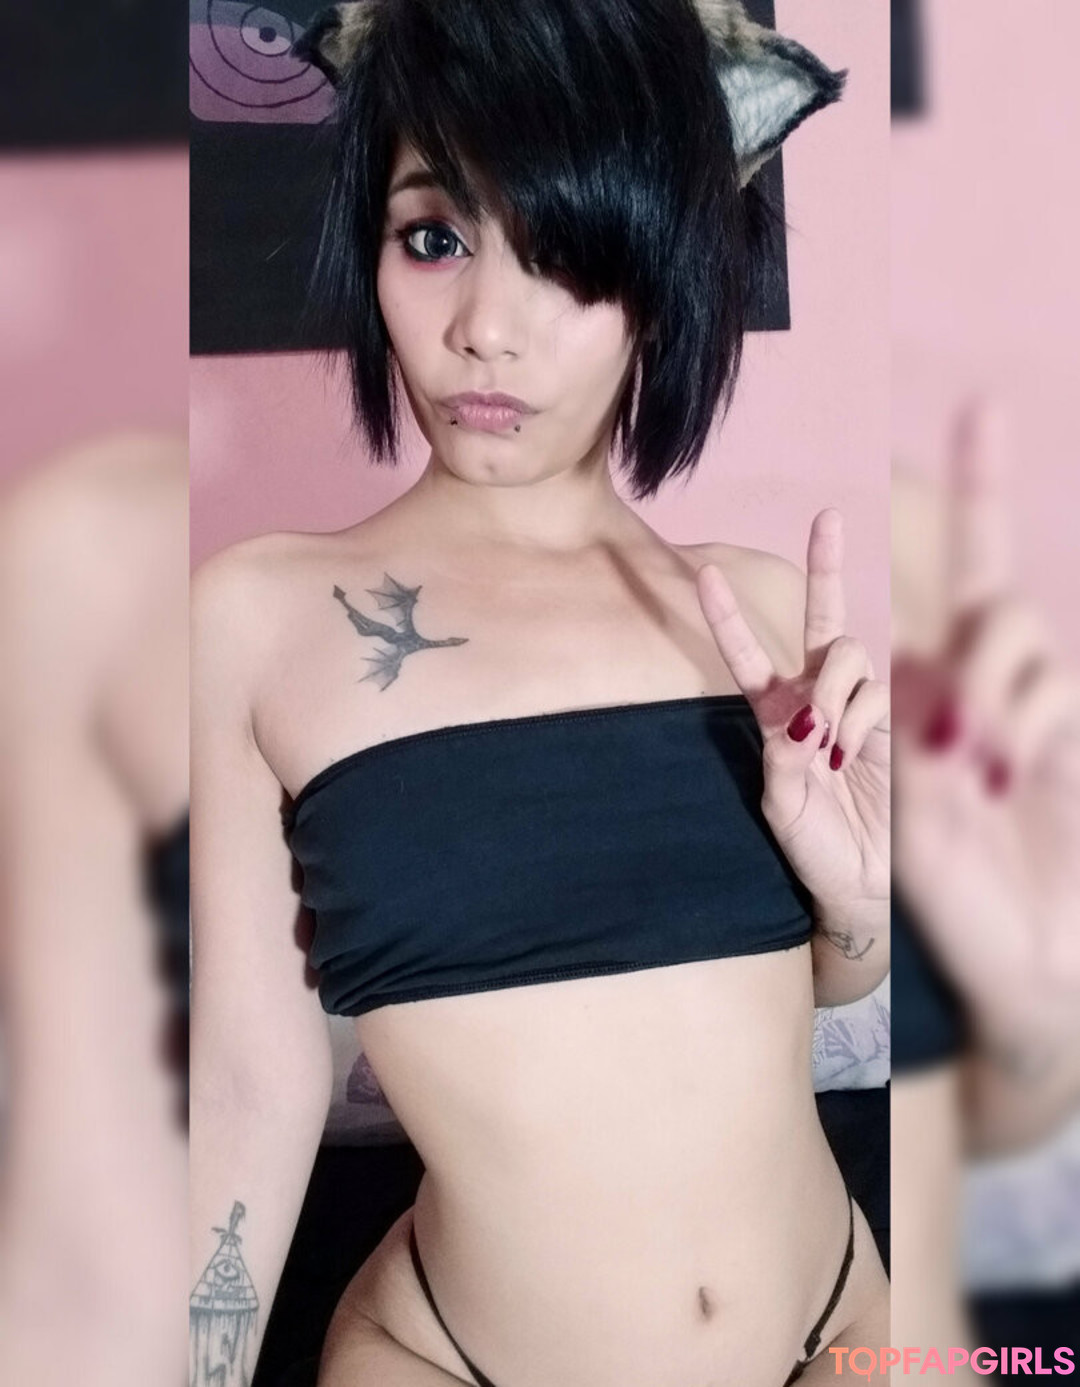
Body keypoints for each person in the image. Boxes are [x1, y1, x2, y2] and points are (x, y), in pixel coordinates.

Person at [189, 2, 890, 1383]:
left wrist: (856, 903)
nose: (485, 331)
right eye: (433, 238)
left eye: (563, 255)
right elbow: (248, 1086)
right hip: (452, 1359)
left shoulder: (760, 615)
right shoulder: (258, 620)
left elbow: (819, 988)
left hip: (847, 1335)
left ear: (661, 279)